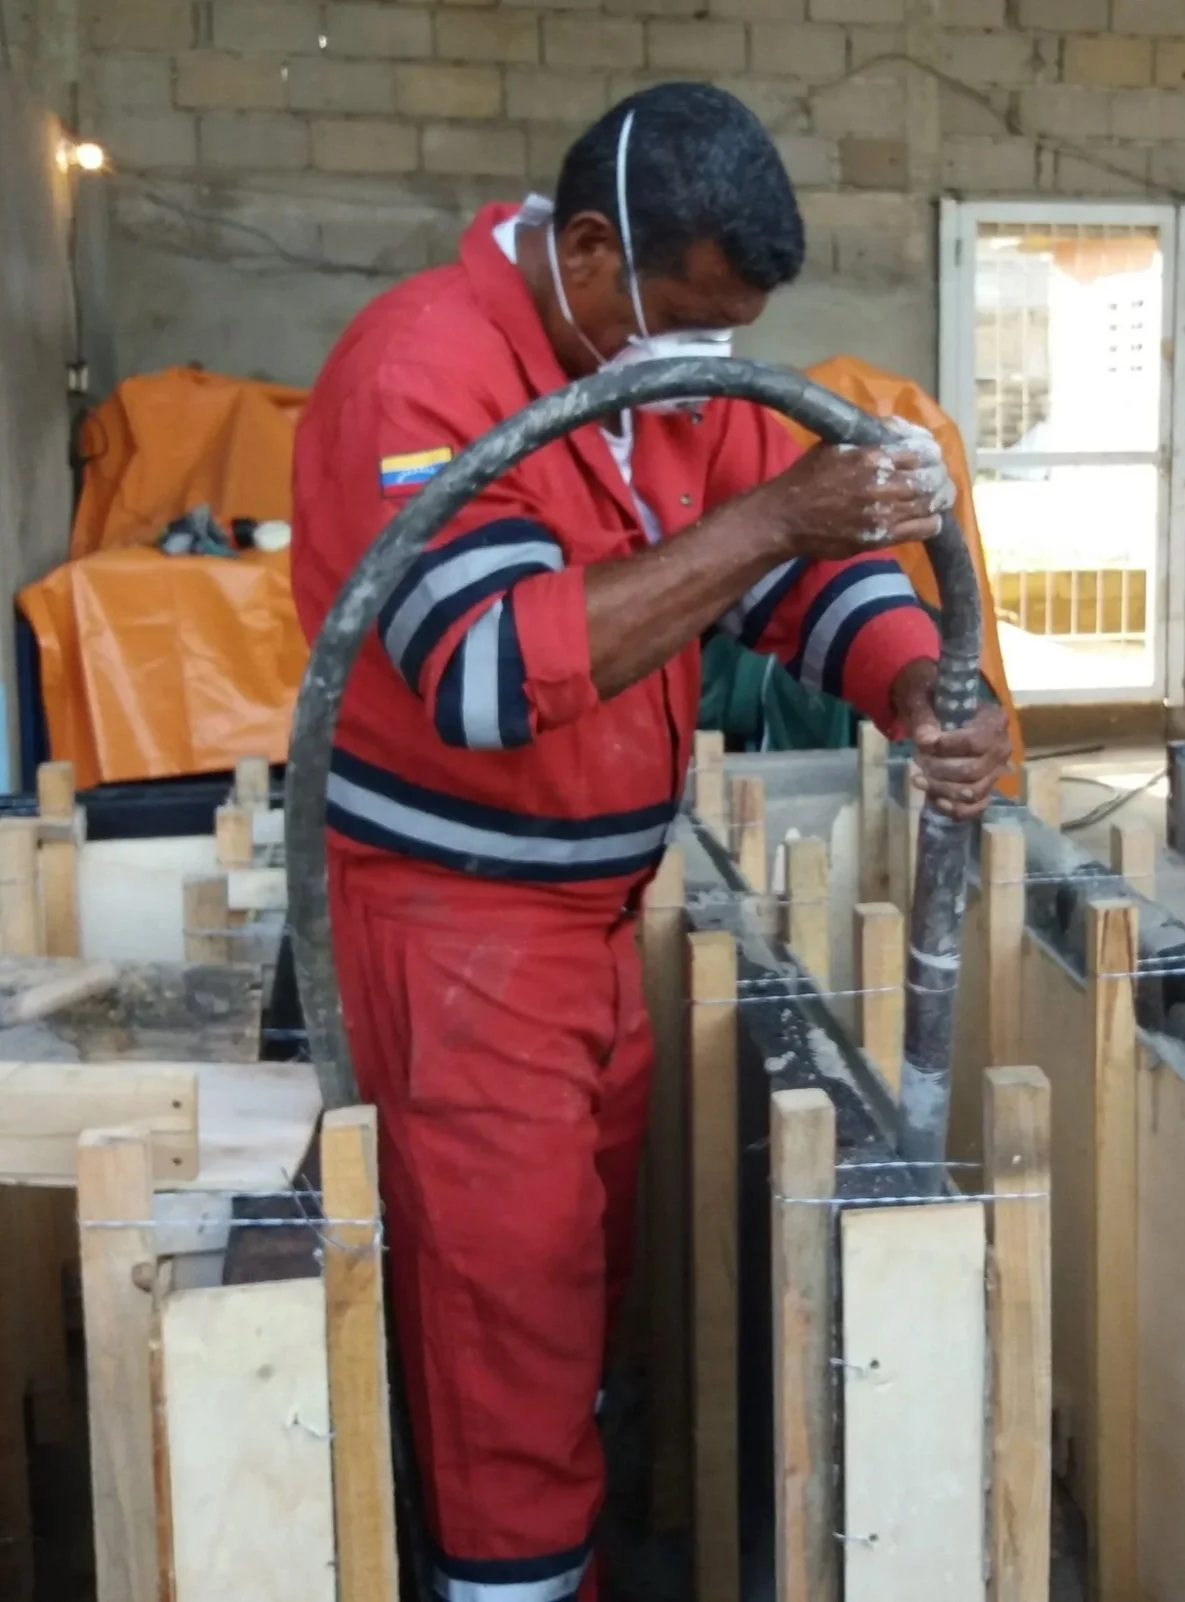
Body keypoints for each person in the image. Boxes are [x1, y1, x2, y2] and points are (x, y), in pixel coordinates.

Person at [290, 83, 1010, 1602]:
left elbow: (796, 578)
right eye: (687, 320)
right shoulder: (420, 371)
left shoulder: (653, 368)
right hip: (453, 929)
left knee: (574, 1294)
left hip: (592, 920)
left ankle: (565, 1558)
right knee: (504, 1333)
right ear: (590, 252)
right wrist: (771, 523)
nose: (704, 364)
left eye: (731, 334)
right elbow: (486, 672)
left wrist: (914, 685)